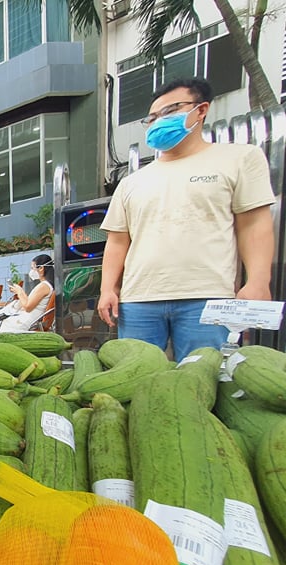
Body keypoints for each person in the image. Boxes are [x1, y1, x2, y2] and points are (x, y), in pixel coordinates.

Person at [98, 77, 275, 361]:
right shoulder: (132, 182)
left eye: (170, 111)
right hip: (138, 300)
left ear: (201, 110)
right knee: (134, 380)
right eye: (153, 117)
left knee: (202, 380)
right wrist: (108, 288)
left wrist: (258, 280)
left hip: (207, 297)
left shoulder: (239, 158)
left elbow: (253, 225)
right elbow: (118, 242)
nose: (159, 121)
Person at [0, 255, 55, 334]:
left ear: (41, 268)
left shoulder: (43, 286)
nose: (31, 271)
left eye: (32, 268)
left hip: (26, 322)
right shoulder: (46, 286)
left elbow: (28, 307)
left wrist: (20, 291)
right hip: (29, 319)